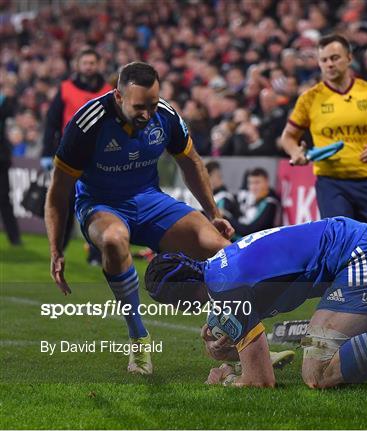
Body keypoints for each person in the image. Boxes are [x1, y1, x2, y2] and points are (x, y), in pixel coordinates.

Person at [44, 62, 233, 375]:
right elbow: (58, 191)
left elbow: (191, 163)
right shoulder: (88, 124)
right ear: (118, 96)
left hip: (149, 200)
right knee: (114, 240)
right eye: (139, 106)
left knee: (221, 247)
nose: (147, 113)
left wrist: (213, 213)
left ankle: (246, 336)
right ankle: (138, 338)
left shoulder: (166, 116)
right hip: (100, 204)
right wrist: (55, 249)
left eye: (153, 104)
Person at [144, 217, 367, 388]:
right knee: (321, 359)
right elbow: (254, 300)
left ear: (180, 296)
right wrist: (229, 341)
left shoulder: (226, 291)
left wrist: (225, 379)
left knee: (318, 372)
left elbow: (260, 381)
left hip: (364, 257)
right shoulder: (219, 270)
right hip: (362, 249)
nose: (175, 311)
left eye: (171, 303)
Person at [280, 34, 367, 243]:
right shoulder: (309, 98)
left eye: (335, 58)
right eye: (324, 60)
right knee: (342, 244)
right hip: (332, 183)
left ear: (349, 57)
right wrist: (295, 152)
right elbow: (288, 136)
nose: (329, 64)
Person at [42, 48, 113, 262]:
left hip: (100, 157)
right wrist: (47, 152)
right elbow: (51, 123)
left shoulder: (110, 91)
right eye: (85, 62)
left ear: (99, 64)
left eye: (92, 62)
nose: (89, 66)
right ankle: (58, 251)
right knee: (64, 204)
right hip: (70, 156)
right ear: (78, 65)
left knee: (99, 205)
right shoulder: (65, 89)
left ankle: (96, 254)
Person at [231, 167, 280, 238]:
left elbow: (252, 231)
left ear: (267, 182)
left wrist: (228, 219)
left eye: (257, 183)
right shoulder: (257, 200)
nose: (253, 187)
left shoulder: (271, 203)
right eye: (251, 183)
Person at [0, 88, 21, 245]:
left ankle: (14, 237)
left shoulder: (4, 100)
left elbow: (10, 111)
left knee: (4, 198)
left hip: (1, 157)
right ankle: (14, 238)